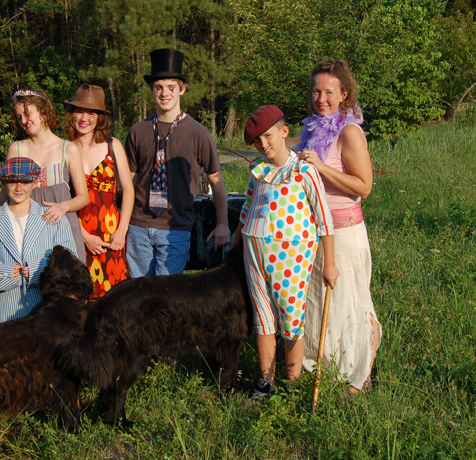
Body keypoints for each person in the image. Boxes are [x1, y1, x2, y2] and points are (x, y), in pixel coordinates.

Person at [231, 105, 339, 403]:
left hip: (290, 256)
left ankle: (292, 384)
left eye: (268, 136)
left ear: (284, 132)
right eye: (257, 140)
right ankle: (265, 382)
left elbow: (324, 219)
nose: (263, 144)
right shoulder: (258, 172)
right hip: (254, 252)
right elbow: (247, 207)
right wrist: (235, 243)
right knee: (263, 317)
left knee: (291, 318)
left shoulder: (303, 171)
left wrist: (330, 263)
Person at [296, 58, 382, 394]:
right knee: (319, 304)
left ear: (344, 94)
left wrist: (321, 168)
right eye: (316, 91)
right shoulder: (310, 130)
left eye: (329, 92)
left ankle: (360, 374)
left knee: (348, 304)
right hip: (315, 232)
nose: (321, 99)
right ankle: (325, 367)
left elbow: (364, 186)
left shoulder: (349, 132)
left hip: (344, 233)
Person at [124, 48, 230, 277]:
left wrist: (223, 223)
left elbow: (216, 180)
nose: (164, 93)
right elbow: (127, 180)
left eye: (171, 87)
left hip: (175, 228)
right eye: (159, 87)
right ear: (152, 90)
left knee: (168, 295)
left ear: (182, 89)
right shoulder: (137, 131)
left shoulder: (198, 134)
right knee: (139, 293)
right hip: (138, 226)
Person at [0, 87, 89, 264]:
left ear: (43, 110)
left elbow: (83, 197)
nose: (24, 121)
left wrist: (63, 206)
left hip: (62, 227)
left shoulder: (68, 149)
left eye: (28, 114)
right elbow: (6, 192)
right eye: (19, 117)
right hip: (27, 230)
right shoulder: (16, 149)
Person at [0, 157, 77, 325]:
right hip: (5, 316)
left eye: (25, 182)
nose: (19, 188)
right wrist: (7, 273)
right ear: (3, 183)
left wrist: (37, 271)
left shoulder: (53, 218)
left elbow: (69, 261)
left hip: (47, 315)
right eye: (13, 182)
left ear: (35, 183)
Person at [64, 84, 135, 297]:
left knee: (115, 298)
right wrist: (83, 236)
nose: (84, 118)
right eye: (79, 111)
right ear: (71, 114)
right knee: (80, 296)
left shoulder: (113, 145)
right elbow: (61, 199)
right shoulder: (63, 149)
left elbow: (129, 190)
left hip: (111, 235)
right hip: (76, 234)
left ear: (100, 117)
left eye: (91, 113)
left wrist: (122, 230)